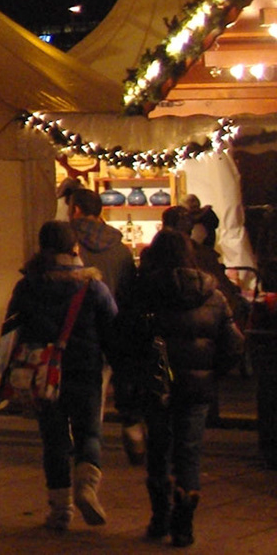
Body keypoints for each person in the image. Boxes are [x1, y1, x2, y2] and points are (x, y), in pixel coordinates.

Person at [117, 229, 244, 546]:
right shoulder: (212, 296)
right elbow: (234, 344)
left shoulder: (143, 291)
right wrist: (211, 373)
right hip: (195, 390)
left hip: (155, 385)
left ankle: (160, 518)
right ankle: (183, 524)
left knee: (158, 449)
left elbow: (125, 340)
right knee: (188, 453)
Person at [3, 219, 119, 531]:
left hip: (43, 372)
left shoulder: (28, 284)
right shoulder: (93, 286)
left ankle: (60, 511)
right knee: (89, 432)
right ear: (74, 247)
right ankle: (86, 485)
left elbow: (12, 327)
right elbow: (113, 329)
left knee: (53, 440)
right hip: (85, 368)